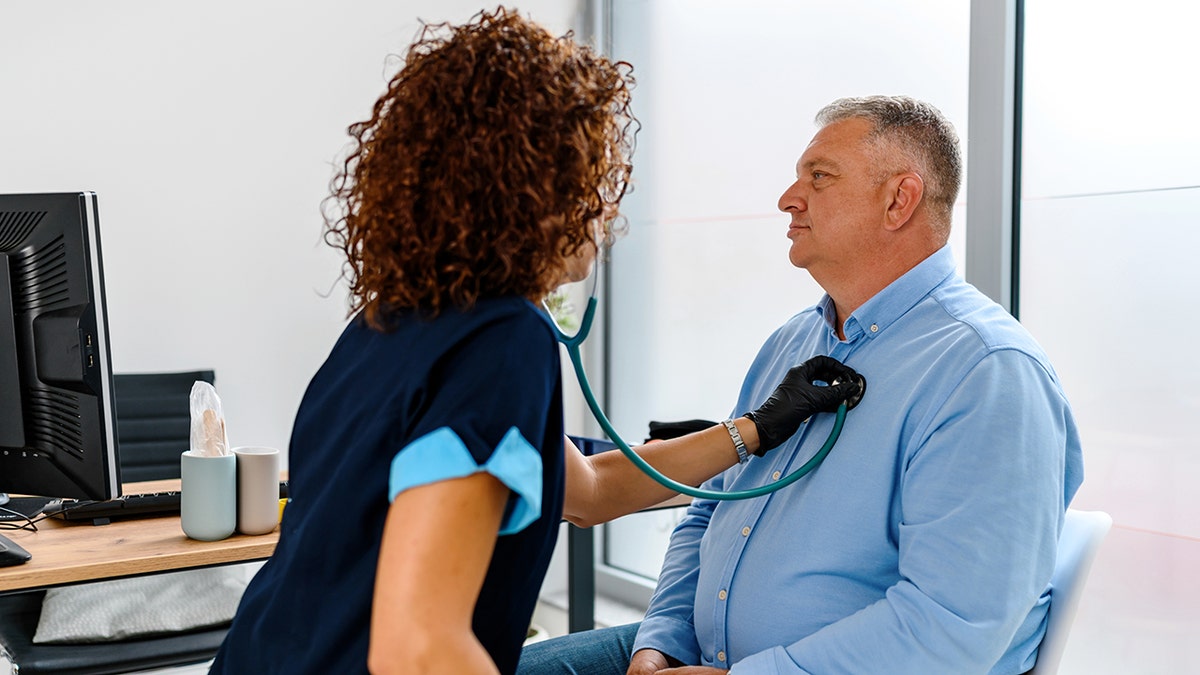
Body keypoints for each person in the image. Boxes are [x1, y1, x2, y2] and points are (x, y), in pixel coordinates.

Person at [208, 9, 861, 675]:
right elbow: (421, 646)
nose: (607, 211)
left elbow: (588, 489)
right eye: (595, 179)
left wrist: (756, 428)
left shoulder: (393, 319)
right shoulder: (504, 340)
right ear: (536, 188)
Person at [518, 96, 1084, 675]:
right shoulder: (794, 342)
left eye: (819, 177)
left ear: (899, 200)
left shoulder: (988, 372)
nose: (788, 199)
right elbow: (707, 512)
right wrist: (659, 642)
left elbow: (953, 627)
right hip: (696, 650)